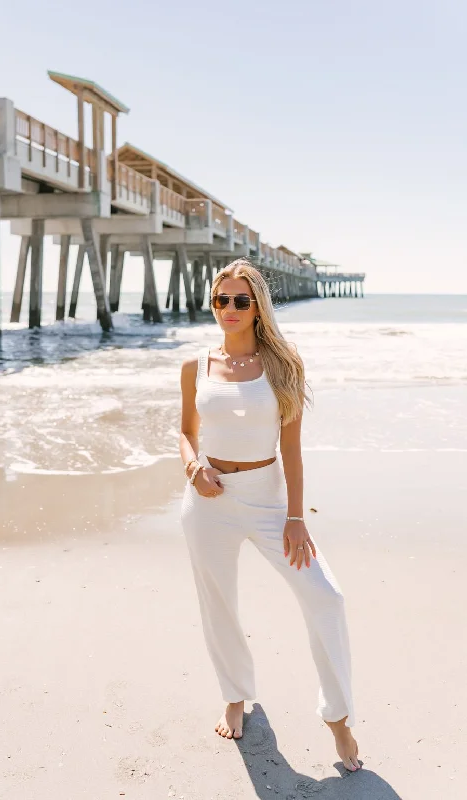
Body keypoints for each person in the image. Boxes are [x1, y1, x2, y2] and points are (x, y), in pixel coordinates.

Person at [179, 258, 360, 772]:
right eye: (221, 300)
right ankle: (234, 694)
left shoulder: (283, 364)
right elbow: (185, 431)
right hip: (208, 501)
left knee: (326, 595)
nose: (230, 309)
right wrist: (194, 469)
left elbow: (293, 448)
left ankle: (338, 719)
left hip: (267, 498)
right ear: (212, 303)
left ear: (258, 306)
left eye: (241, 300)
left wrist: (296, 517)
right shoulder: (196, 365)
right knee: (218, 602)